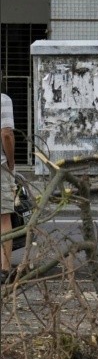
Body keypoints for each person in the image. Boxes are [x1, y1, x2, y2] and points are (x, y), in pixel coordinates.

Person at [1, 92, 16, 283]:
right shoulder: (3, 100)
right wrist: (11, 162)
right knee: (3, 217)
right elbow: (6, 133)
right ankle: (4, 271)